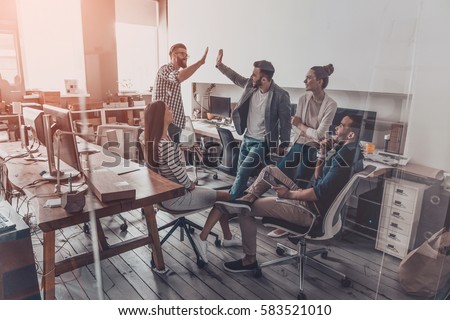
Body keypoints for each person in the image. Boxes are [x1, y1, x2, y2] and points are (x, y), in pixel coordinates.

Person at [217, 114, 362, 272]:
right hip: (309, 200)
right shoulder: (350, 152)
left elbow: (317, 193)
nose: (336, 127)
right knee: (270, 170)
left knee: (245, 210)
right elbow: (318, 178)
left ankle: (249, 259)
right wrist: (322, 153)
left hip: (310, 211)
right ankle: (247, 197)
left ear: (351, 134)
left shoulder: (344, 159)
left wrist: (288, 194)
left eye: (341, 125)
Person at [141, 100, 241, 264]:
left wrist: (180, 149)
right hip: (178, 196)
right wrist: (190, 185)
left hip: (165, 196)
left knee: (220, 195)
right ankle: (203, 238)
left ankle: (228, 237)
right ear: (161, 116)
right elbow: (178, 172)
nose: (171, 110)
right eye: (168, 109)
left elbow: (168, 162)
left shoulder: (155, 140)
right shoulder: (164, 144)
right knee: (225, 197)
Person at [268, 64, 338, 238]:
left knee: (300, 176)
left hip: (314, 148)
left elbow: (319, 134)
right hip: (300, 143)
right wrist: (304, 128)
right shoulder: (302, 99)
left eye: (309, 78)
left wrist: (300, 125)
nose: (304, 80)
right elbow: (298, 130)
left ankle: (292, 220)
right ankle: (282, 214)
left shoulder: (331, 104)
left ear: (320, 81)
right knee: (280, 173)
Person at [215, 49, 291, 201]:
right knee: (239, 172)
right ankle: (241, 202)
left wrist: (284, 143)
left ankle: (229, 204)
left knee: (243, 171)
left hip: (262, 142)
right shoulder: (251, 85)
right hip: (247, 137)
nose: (251, 76)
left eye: (255, 74)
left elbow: (285, 121)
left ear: (264, 79)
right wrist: (220, 65)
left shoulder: (280, 95)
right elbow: (235, 78)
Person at [153, 43, 208, 143]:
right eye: (183, 54)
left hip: (175, 126)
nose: (185, 57)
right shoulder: (165, 69)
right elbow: (178, 77)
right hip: (167, 127)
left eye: (186, 54)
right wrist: (200, 63)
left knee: (183, 151)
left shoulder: (173, 73)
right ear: (174, 55)